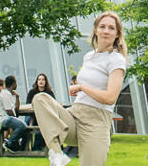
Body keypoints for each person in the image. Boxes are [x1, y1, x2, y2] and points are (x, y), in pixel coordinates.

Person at [32, 11, 128, 166]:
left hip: (96, 122)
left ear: (117, 34)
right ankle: (57, 154)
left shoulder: (116, 60)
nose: (106, 31)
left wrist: (82, 87)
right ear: (96, 30)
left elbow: (110, 98)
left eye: (111, 28)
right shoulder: (89, 56)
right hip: (74, 115)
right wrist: (77, 88)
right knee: (40, 98)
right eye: (102, 26)